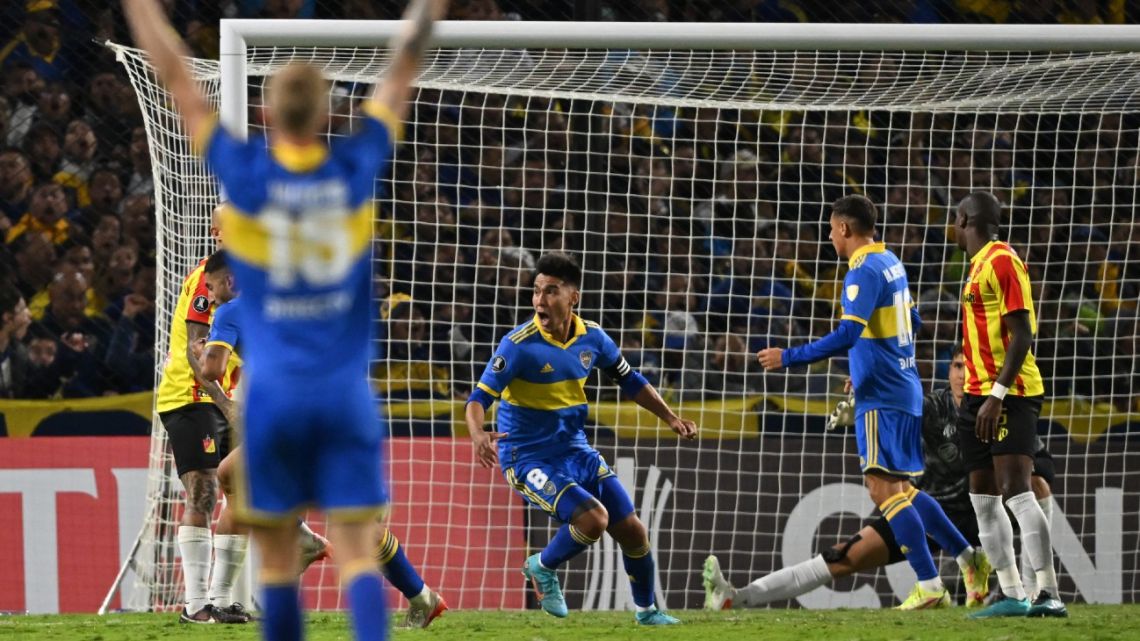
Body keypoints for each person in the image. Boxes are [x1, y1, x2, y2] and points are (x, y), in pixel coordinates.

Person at [122, 0, 446, 638]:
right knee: (354, 545)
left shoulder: (245, 173)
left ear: (267, 114)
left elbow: (179, 83)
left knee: (273, 552)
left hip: (271, 399)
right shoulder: (355, 166)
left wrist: (138, 7)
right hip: (343, 393)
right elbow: (403, 66)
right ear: (327, 114)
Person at [757, 194, 988, 610]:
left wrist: (787, 357)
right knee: (903, 489)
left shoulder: (861, 270)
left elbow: (847, 335)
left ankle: (930, 584)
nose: (830, 237)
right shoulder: (891, 261)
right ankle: (972, 560)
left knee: (882, 490)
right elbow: (911, 322)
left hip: (883, 394)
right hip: (901, 385)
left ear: (845, 228)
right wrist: (868, 363)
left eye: (831, 229)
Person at [703, 344, 1056, 609]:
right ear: (948, 371)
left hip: (987, 512)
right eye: (956, 366)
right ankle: (738, 597)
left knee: (1035, 485)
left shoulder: (1000, 411)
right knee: (842, 557)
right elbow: (900, 409)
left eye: (969, 366)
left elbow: (1041, 467)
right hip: (929, 512)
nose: (963, 374)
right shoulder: (934, 406)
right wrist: (863, 402)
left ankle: (1032, 592)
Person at [200, 252, 447, 629]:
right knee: (232, 474)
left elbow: (213, 368)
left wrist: (206, 357)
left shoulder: (234, 312)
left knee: (335, 530)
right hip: (347, 405)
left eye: (214, 285)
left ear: (233, 281)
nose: (211, 293)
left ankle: (415, 594)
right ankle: (419, 596)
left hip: (297, 415)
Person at [465, 252, 697, 626]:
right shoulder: (518, 345)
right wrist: (478, 434)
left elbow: (630, 379)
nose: (540, 300)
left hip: (576, 449)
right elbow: (478, 399)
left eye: (551, 291)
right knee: (593, 520)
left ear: (574, 297)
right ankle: (541, 566)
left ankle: (647, 612)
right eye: (536, 291)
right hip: (527, 457)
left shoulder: (593, 338)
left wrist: (670, 417)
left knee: (634, 531)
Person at [953, 191, 1066, 618]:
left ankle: (1049, 593)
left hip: (1011, 393)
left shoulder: (1002, 260)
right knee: (982, 497)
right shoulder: (978, 264)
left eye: (954, 219)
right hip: (979, 393)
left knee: (1016, 491)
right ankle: (1013, 593)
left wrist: (997, 396)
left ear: (965, 219)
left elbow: (1022, 334)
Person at [150, 210, 245, 624]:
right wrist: (223, 401)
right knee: (204, 491)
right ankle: (194, 605)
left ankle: (222, 601)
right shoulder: (211, 277)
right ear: (217, 233)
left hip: (227, 397)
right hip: (192, 397)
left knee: (242, 493)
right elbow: (195, 349)